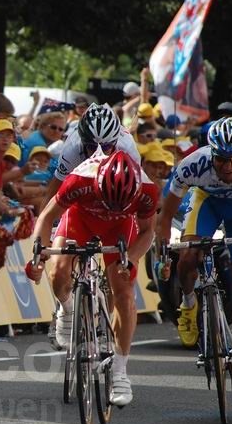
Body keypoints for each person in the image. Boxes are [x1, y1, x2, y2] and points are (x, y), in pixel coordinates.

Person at [26, 150, 159, 406]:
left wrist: (131, 259)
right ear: (97, 183)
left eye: (120, 203)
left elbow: (147, 232)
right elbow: (47, 217)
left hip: (120, 228)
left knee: (125, 292)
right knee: (58, 271)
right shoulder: (80, 179)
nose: (111, 208)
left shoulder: (147, 190)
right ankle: (66, 309)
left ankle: (120, 371)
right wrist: (38, 257)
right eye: (108, 200)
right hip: (81, 219)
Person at [156, 117, 232, 402]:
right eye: (221, 159)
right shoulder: (193, 164)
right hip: (206, 202)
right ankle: (188, 304)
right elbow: (165, 216)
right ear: (211, 154)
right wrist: (162, 256)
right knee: (187, 256)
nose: (228, 166)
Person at [47, 103, 141, 198]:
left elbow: (138, 191)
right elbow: (54, 191)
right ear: (83, 142)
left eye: (105, 147)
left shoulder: (128, 148)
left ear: (115, 142)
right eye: (92, 147)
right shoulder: (72, 148)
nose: (98, 152)